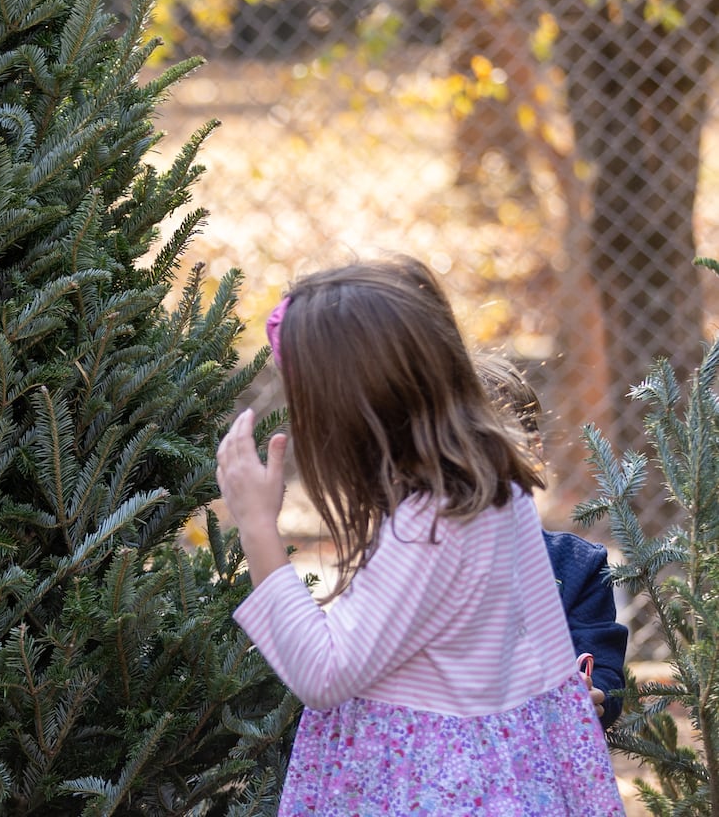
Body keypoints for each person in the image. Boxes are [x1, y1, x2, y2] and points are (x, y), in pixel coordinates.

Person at [217, 257, 623, 814]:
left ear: (353, 413)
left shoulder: (432, 524)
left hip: (435, 793)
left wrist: (258, 528)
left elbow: (323, 673)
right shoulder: (490, 484)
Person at [476, 351, 628, 729]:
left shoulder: (577, 565)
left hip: (546, 747)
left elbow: (601, 660)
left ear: (533, 450)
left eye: (491, 446)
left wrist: (599, 697)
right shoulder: (420, 558)